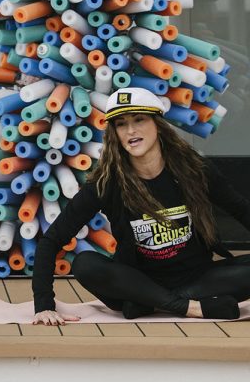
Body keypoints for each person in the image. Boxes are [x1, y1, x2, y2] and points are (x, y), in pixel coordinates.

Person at [31, 87, 250, 325]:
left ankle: (153, 303)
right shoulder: (107, 183)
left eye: (139, 120)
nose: (131, 131)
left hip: (197, 280)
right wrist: (44, 305)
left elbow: (242, 211)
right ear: (114, 133)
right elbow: (51, 240)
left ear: (158, 125)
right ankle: (188, 307)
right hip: (136, 282)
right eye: (121, 124)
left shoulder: (196, 171)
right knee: (85, 263)